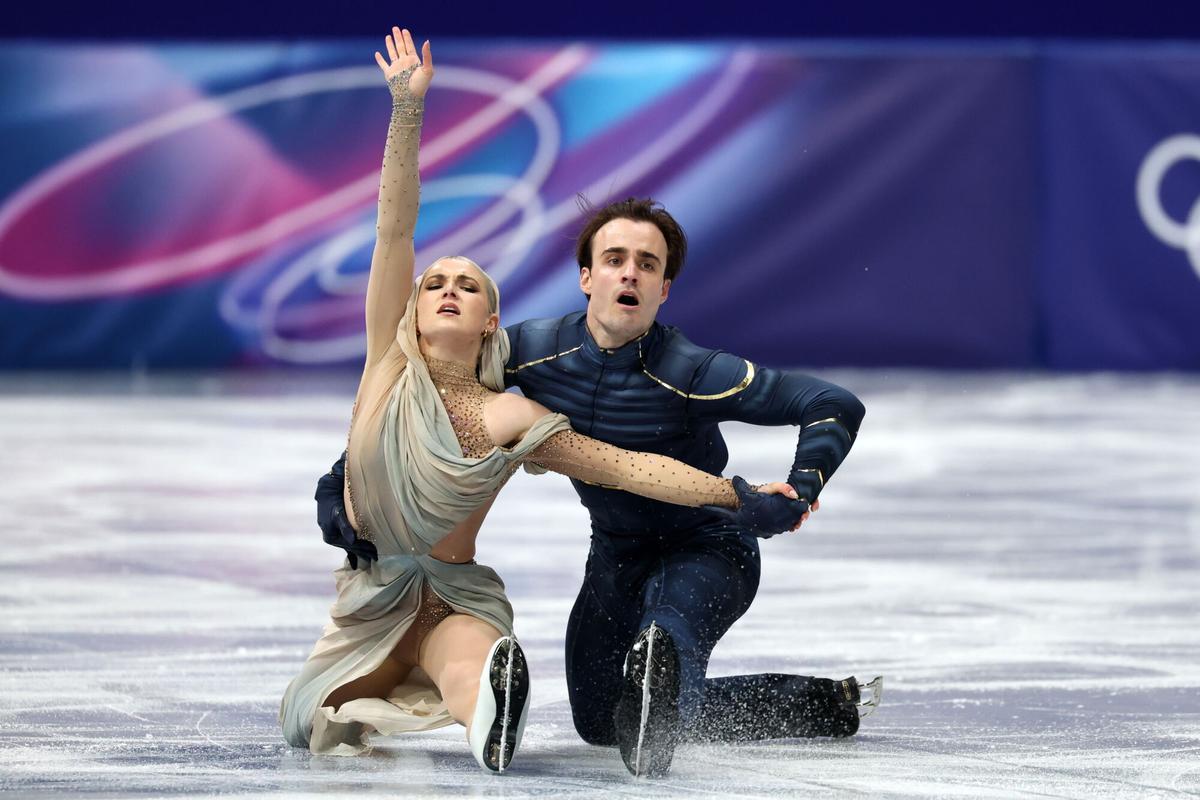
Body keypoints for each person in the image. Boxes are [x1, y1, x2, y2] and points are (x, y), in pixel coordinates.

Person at [280, 27, 809, 775]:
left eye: (469, 284)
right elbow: (394, 227)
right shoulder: (385, 370)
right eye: (435, 282)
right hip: (367, 600)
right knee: (314, 719)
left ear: (492, 318)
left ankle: (489, 710)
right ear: (411, 308)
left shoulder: (512, 416)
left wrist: (735, 497)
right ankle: (475, 694)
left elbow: (627, 467)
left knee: (466, 670)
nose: (448, 289)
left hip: (451, 596)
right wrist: (407, 109)